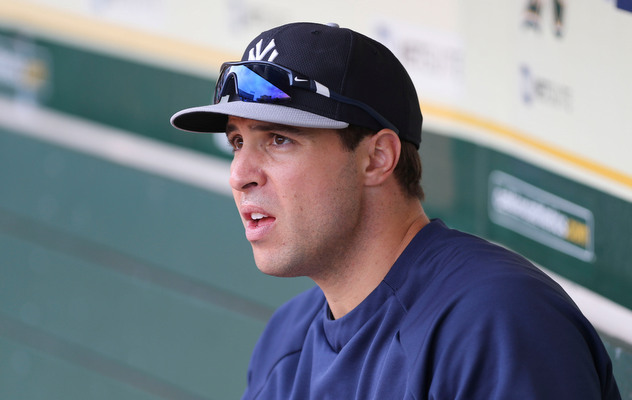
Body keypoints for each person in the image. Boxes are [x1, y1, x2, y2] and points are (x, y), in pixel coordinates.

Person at [171, 22, 620, 399]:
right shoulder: (285, 342)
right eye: (237, 142)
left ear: (377, 158)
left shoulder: (494, 322)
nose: (240, 174)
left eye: (278, 139)